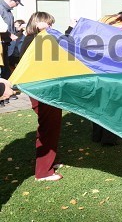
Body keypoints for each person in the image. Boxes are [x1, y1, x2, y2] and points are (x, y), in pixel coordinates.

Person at [19, 12, 64, 181]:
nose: (51, 27)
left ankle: (49, 161)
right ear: (39, 24)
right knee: (48, 127)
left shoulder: (36, 39)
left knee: (52, 125)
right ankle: (43, 172)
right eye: (48, 24)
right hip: (42, 90)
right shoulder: (35, 40)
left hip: (45, 89)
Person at [91, 7, 122, 146]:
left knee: (99, 103)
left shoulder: (106, 19)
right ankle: (108, 139)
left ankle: (96, 136)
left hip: (97, 68)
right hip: (114, 71)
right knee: (113, 105)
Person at [0, 0, 23, 80]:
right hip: (2, 42)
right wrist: (9, 34)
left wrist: (17, 30)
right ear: (11, 0)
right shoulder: (1, 8)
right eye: (16, 3)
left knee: (6, 67)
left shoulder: (7, 10)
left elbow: (9, 26)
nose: (16, 6)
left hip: (6, 43)